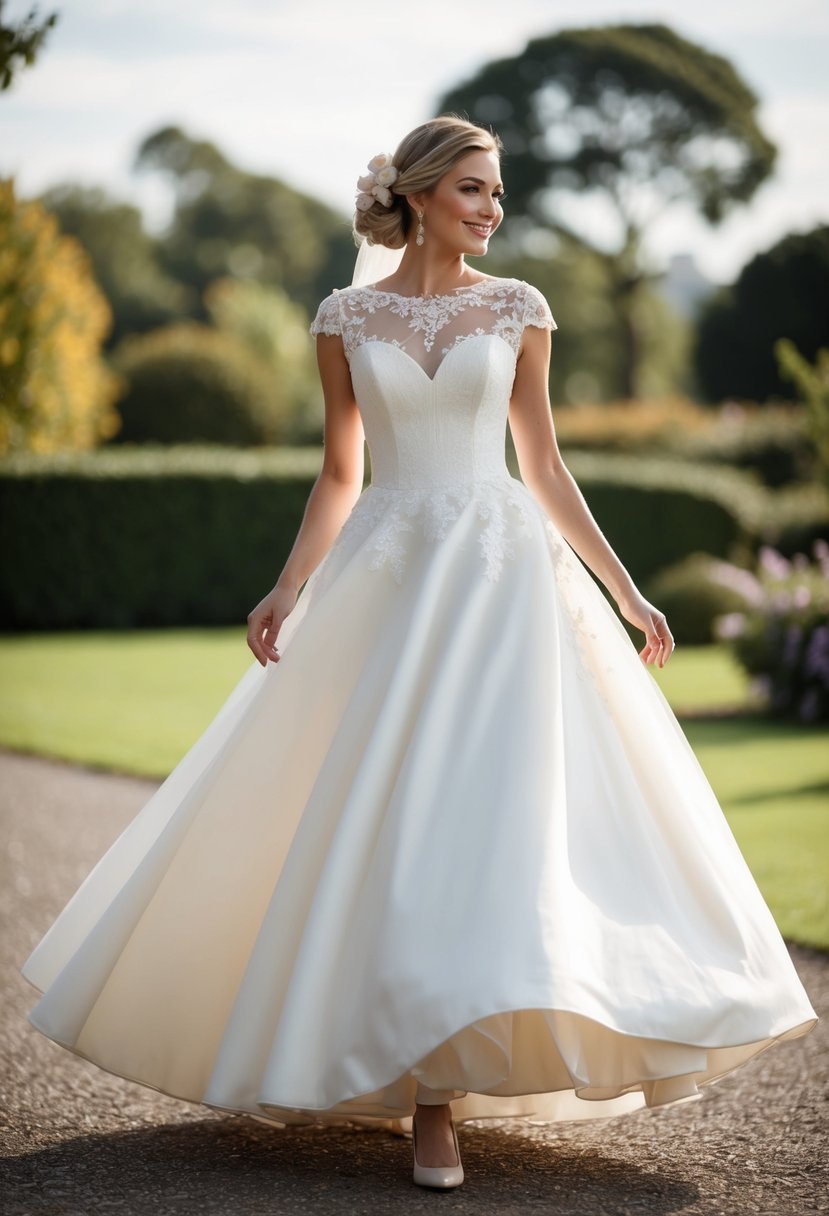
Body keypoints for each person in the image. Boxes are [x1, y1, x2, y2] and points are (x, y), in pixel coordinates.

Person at [20, 116, 817, 1193]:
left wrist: (625, 591)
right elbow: (339, 470)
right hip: (388, 582)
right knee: (391, 816)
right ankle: (426, 1096)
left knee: (496, 817)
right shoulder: (344, 316)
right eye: (479, 191)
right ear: (429, 193)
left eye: (499, 194)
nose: (495, 210)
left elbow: (539, 461)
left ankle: (457, 1075)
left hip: (503, 585)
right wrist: (289, 584)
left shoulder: (519, 308)